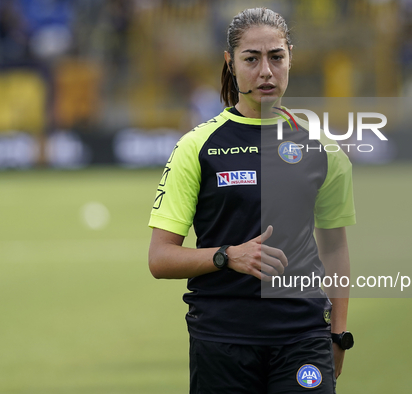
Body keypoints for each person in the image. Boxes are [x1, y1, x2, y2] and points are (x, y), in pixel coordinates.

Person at [148, 8, 355, 394]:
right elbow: (160, 259)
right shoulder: (196, 147)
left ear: (290, 57)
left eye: (276, 57)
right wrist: (227, 255)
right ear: (230, 63)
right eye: (251, 59)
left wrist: (339, 334)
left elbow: (335, 248)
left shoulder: (323, 150)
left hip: (302, 338)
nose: (266, 72)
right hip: (222, 339)